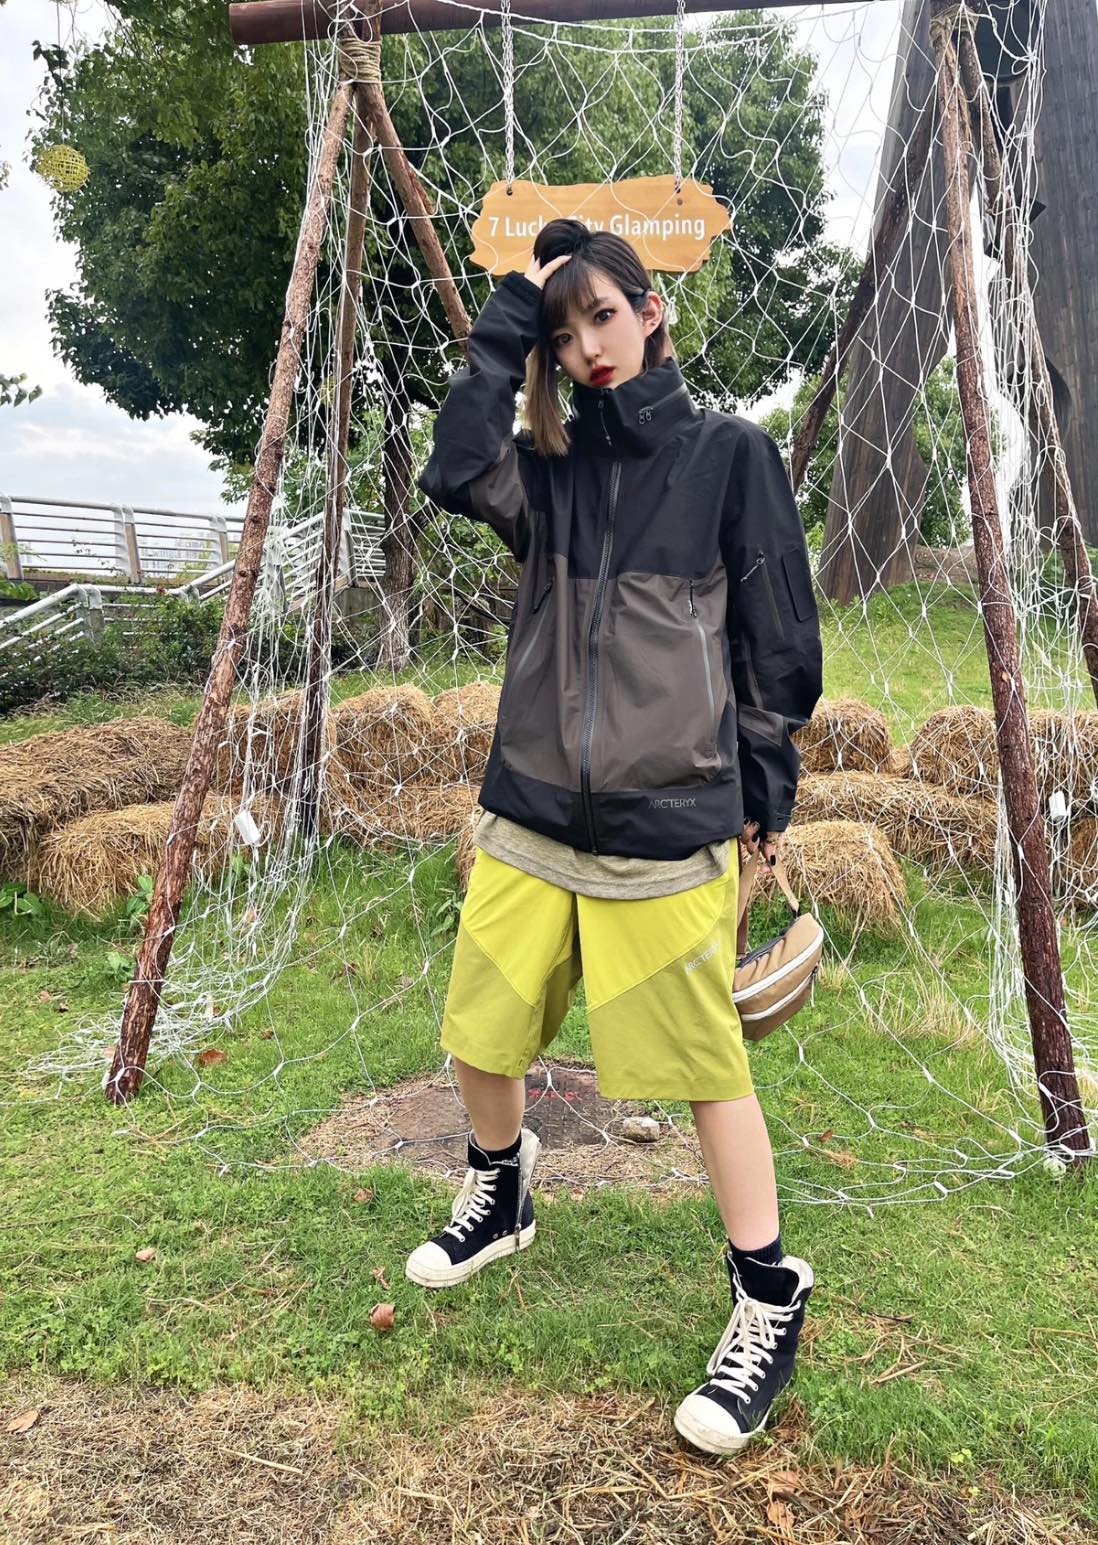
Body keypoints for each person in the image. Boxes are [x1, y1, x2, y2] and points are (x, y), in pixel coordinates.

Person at [407, 218, 823, 1457]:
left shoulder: (729, 456)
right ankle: (502, 1187)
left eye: (603, 315)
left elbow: (779, 642)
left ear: (652, 313)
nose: (587, 345)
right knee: (481, 1026)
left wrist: (762, 798)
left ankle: (768, 1295)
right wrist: (510, 311)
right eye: (564, 330)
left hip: (669, 822)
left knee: (704, 1069)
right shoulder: (546, 472)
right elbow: (452, 465)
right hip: (531, 809)